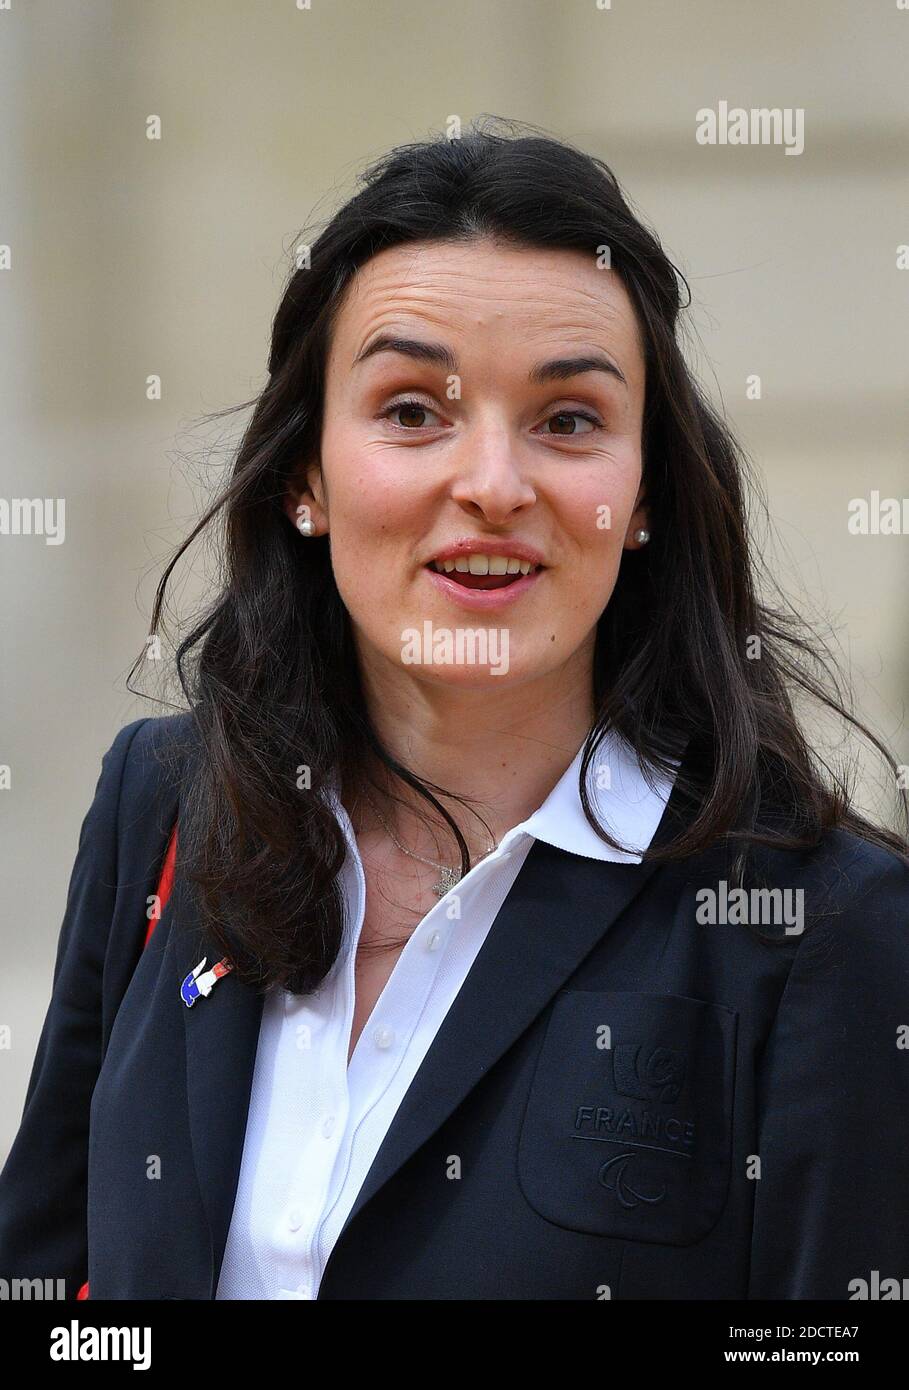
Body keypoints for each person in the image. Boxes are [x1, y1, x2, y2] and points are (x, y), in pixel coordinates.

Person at [2, 119, 908, 1301]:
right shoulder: (163, 804)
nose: (491, 484)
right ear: (305, 478)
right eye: (412, 411)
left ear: (644, 496)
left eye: (569, 419)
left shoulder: (822, 928)